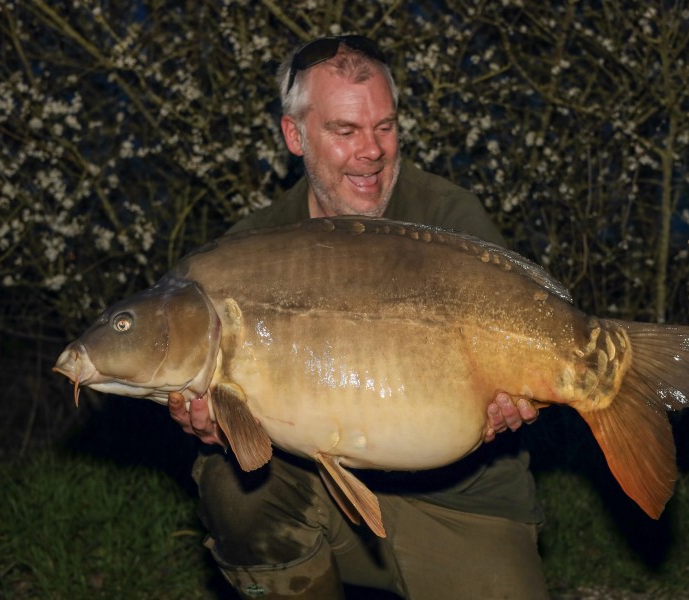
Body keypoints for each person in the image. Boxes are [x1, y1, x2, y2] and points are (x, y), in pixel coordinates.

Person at [168, 35, 547, 600]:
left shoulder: (448, 218)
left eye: (385, 127)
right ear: (295, 135)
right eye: (345, 132)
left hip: (461, 502)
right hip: (317, 494)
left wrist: (518, 395)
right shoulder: (247, 251)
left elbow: (518, 348)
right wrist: (207, 418)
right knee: (233, 489)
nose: (372, 150)